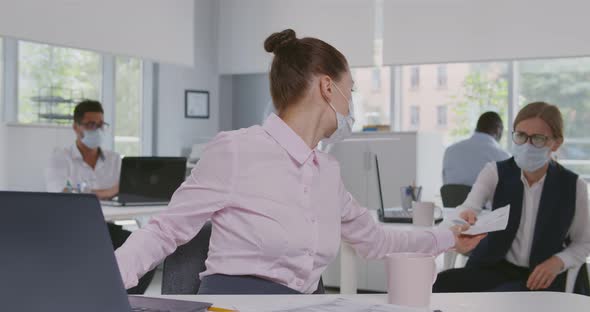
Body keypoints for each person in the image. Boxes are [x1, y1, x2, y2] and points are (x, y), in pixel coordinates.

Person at [115, 29, 484, 294]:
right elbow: (165, 231)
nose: (351, 105)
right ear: (328, 87)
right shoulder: (236, 151)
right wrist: (103, 282)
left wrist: (448, 238)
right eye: (350, 90)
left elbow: (375, 241)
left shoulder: (327, 173)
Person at [434, 102, 590, 293]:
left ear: (556, 142)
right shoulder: (495, 172)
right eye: (521, 136)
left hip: (541, 276)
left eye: (538, 139)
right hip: (495, 266)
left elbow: (583, 242)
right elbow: (468, 208)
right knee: (440, 283)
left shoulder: (574, 186)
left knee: (501, 298)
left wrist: (559, 261)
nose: (527, 145)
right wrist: (463, 216)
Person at [45, 100, 120, 200]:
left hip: (112, 216)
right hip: (75, 215)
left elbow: (127, 193)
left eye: (100, 125)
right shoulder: (61, 157)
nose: (97, 130)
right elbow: (60, 193)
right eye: (90, 124)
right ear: (76, 127)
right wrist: (107, 193)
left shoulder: (114, 159)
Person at [443, 111, 511, 186]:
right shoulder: (504, 157)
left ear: (477, 128)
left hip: (454, 198)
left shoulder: (450, 151)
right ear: (498, 130)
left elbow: (446, 184)